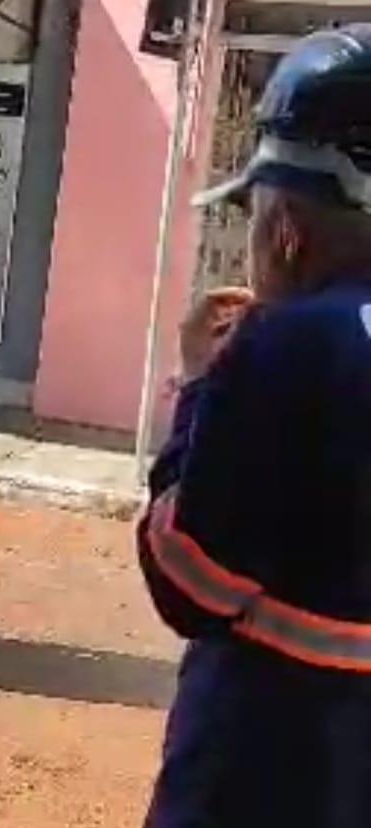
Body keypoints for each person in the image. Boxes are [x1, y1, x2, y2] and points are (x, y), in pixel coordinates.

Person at [139, 24, 371, 828]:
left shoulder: (283, 346)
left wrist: (200, 390)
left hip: (264, 772)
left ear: (288, 229)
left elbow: (189, 583)